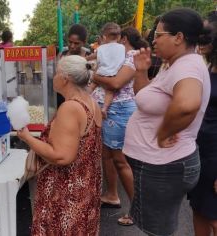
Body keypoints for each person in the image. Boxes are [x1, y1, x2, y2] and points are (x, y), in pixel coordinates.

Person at [123, 8, 211, 236]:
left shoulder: (188, 65)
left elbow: (187, 105)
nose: (153, 39)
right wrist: (141, 72)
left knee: (156, 231)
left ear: (178, 37)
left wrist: (164, 132)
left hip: (163, 166)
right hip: (156, 165)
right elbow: (146, 100)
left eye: (159, 34)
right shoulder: (173, 64)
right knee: (154, 228)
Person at [17, 55, 102, 235]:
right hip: (85, 187)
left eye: (56, 73)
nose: (53, 77)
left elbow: (61, 156)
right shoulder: (91, 102)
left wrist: (26, 137)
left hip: (66, 192)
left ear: (65, 78)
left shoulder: (70, 108)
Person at [91, 26, 148, 226]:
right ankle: (112, 194)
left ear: (123, 39)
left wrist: (95, 76)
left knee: (120, 160)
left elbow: (115, 84)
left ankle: (137, 210)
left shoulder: (132, 56)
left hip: (119, 111)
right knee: (107, 155)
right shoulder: (119, 55)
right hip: (111, 111)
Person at [188, 23, 217, 236]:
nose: (201, 46)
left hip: (215, 155)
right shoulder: (208, 68)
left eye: (206, 42)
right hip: (201, 150)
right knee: (198, 209)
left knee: (214, 217)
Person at [87, 22, 126, 118]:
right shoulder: (122, 48)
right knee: (109, 92)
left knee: (92, 85)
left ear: (104, 37)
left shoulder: (101, 48)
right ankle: (104, 108)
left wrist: (86, 59)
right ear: (119, 37)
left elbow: (95, 57)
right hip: (113, 74)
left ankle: (85, 98)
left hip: (100, 73)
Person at [57, 24, 91, 107]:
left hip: (81, 99)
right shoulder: (62, 55)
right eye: (70, 42)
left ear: (84, 42)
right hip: (61, 97)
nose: (72, 46)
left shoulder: (89, 57)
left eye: (76, 43)